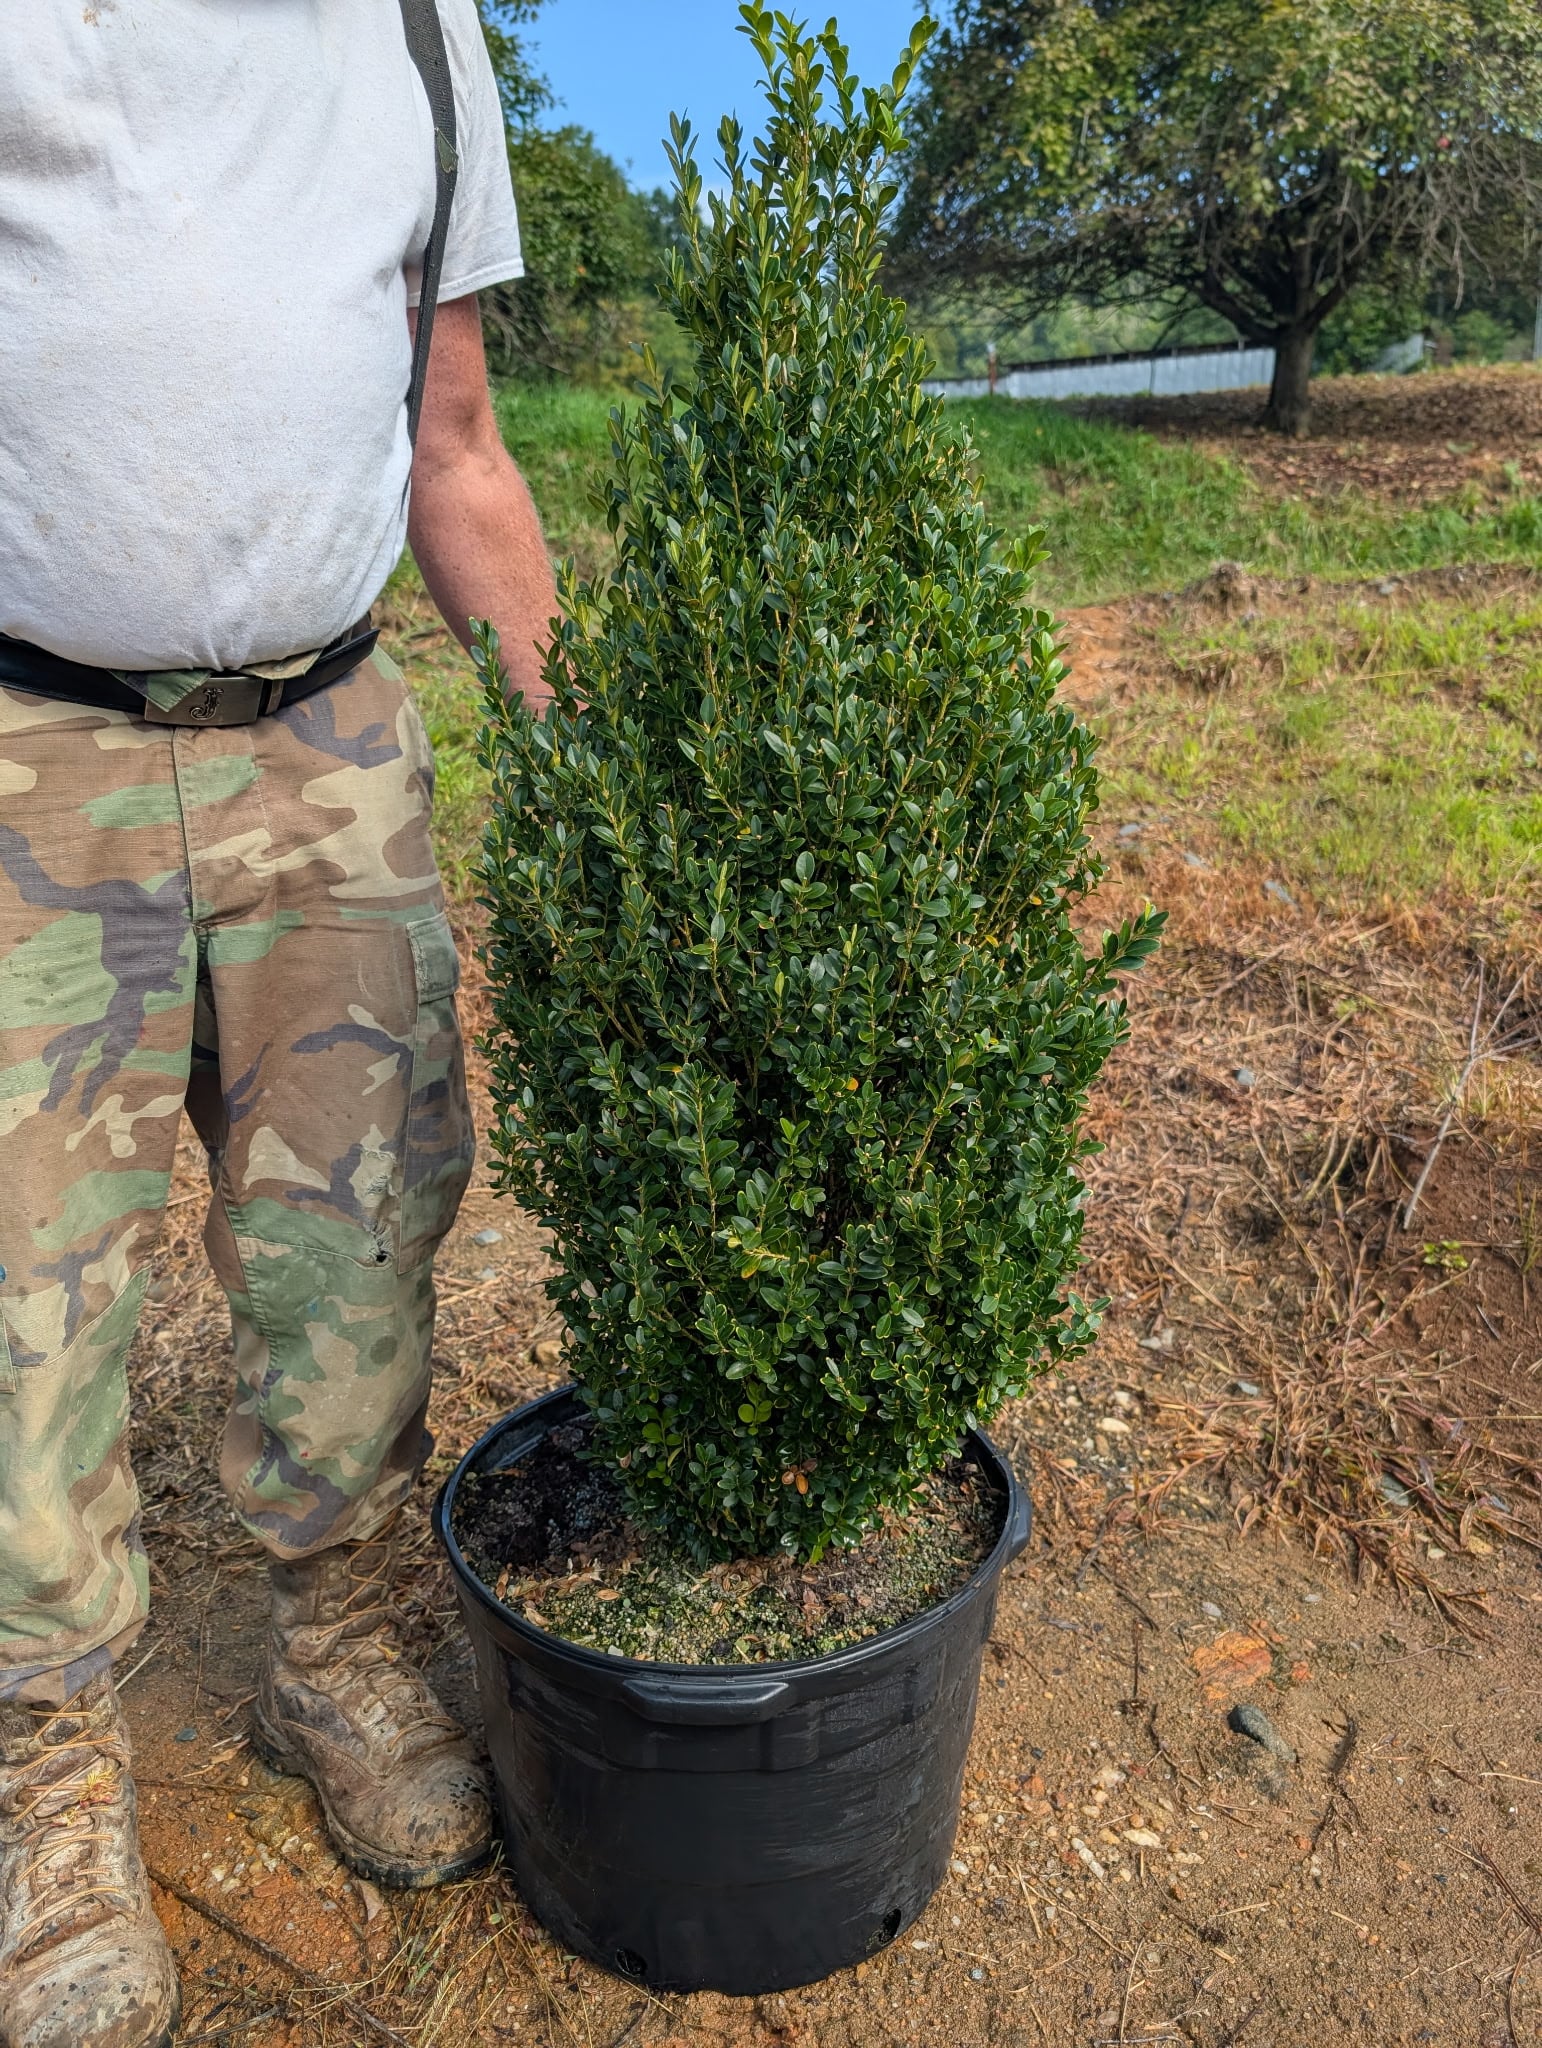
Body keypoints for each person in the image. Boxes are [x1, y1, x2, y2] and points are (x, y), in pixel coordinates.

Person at [0, 5, 559, 2042]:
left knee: (358, 1242)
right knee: (21, 1290)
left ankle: (342, 1632)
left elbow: (455, 444)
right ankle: (41, 1763)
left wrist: (589, 764)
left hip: (329, 742)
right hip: (29, 744)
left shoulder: (416, 37)